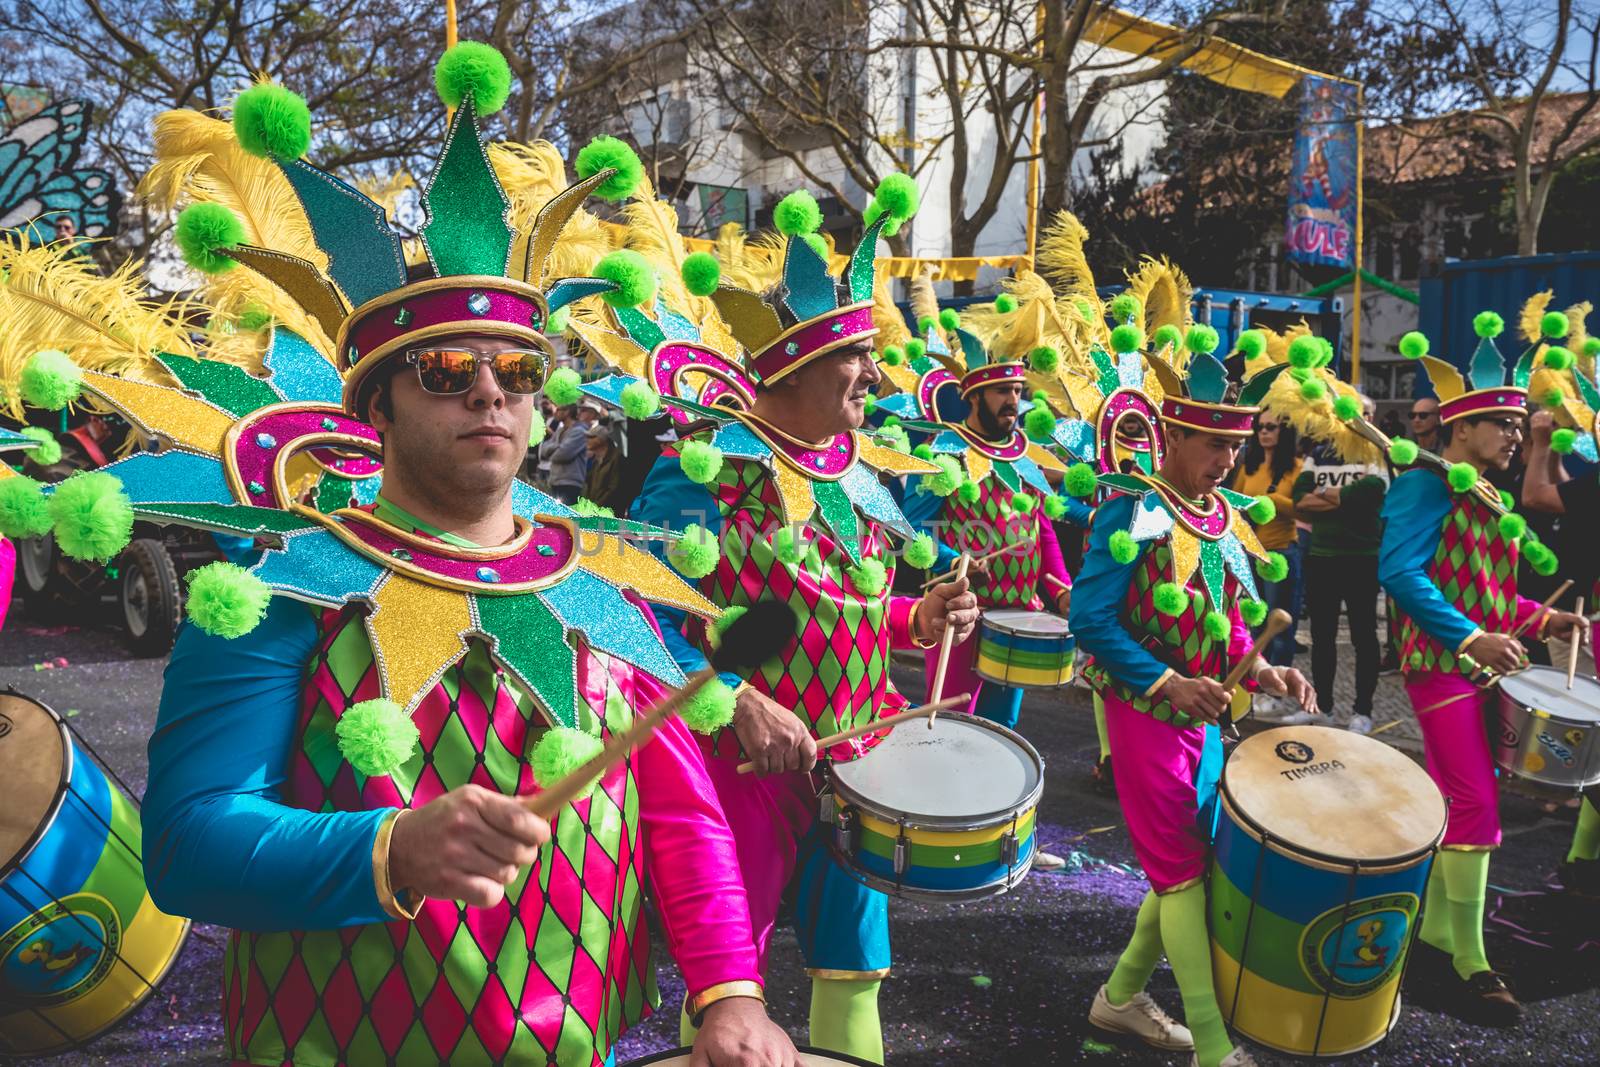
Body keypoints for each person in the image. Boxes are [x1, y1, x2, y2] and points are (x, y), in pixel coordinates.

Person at [80, 46, 801, 1067]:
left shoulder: (594, 579)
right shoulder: (279, 588)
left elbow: (681, 810)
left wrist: (730, 991)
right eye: (446, 369)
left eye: (515, 370)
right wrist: (390, 847)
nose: (489, 392)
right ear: (374, 404)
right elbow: (189, 844)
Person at [633, 183, 979, 1065]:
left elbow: (847, 610)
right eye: (857, 355)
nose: (875, 372)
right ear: (791, 368)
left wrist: (918, 614)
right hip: (744, 765)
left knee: (855, 968)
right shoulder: (704, 474)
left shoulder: (863, 475)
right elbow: (645, 623)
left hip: (860, 763)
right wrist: (737, 697)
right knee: (727, 981)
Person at [1071, 312, 1316, 1067]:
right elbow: (1089, 618)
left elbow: (1230, 616)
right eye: (1214, 444)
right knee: (1181, 876)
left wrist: (1263, 666)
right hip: (1145, 716)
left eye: (1236, 446)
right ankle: (1213, 1047)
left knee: (1187, 866)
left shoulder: (1221, 515)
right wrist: (1167, 679)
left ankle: (1117, 999)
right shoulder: (1129, 510)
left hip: (1203, 719)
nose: (1226, 458)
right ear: (1171, 437)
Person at [1379, 320, 1586, 1025]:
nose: (1512, 434)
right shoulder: (1422, 485)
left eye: (1517, 423)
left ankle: (1439, 933)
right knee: (1474, 802)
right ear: (1460, 428)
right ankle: (1469, 957)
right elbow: (1399, 573)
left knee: (1462, 799)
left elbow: (1491, 595)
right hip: (1438, 665)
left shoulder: (1490, 497)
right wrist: (1472, 636)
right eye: (1501, 423)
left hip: (1473, 663)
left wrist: (1541, 619)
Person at [885, 312, 1074, 870]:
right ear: (974, 397)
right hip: (963, 616)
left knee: (1003, 730)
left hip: (1019, 616)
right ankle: (926, 827)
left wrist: (1059, 588)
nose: (1014, 400)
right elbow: (910, 528)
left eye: (1018, 390)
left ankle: (1001, 832)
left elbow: (1041, 528)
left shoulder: (1025, 456)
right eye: (1002, 392)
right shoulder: (946, 453)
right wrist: (959, 561)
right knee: (950, 723)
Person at [1517, 374, 1600, 898]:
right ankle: (1581, 861)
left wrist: (1542, 442)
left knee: (1594, 742)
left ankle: (1581, 862)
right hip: (1583, 612)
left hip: (1588, 620)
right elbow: (1568, 492)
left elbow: (1536, 495)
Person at [1290, 410, 1388, 732]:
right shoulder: (1319, 453)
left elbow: (1373, 493)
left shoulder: (1375, 452)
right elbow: (1298, 500)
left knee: (1364, 637)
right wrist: (1346, 497)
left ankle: (1363, 710)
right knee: (1321, 637)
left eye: (1359, 414)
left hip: (1361, 557)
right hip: (1322, 556)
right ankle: (1323, 707)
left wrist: (1322, 495)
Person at [1225, 413, 1301, 671]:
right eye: (1259, 427)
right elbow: (1234, 503)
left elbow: (1302, 510)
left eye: (1271, 427)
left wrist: (1274, 502)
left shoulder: (1297, 468)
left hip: (1280, 552)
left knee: (1279, 624)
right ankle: (1258, 677)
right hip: (1250, 553)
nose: (1264, 432)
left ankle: (1278, 685)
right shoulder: (1249, 466)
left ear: (1285, 432)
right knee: (1254, 622)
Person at [539, 401, 588, 504]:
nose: (555, 412)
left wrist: (555, 450)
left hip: (570, 483)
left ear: (567, 412)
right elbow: (543, 449)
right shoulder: (560, 430)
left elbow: (561, 455)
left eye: (559, 409)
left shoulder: (579, 431)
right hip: (555, 481)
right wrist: (558, 446)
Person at [582, 417, 624, 511]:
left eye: (591, 437)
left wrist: (596, 507)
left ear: (601, 439)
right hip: (593, 511)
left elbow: (613, 488)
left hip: (607, 513)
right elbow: (588, 485)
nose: (587, 440)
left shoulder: (616, 458)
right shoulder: (596, 461)